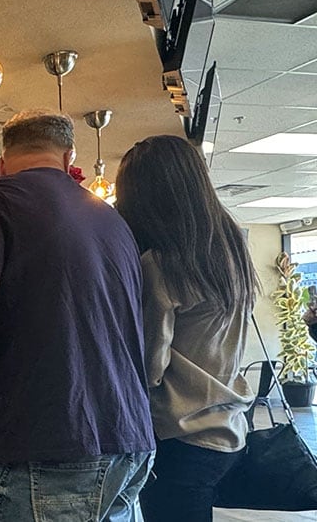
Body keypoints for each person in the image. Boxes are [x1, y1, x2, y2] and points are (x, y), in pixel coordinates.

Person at [0, 109, 155, 521]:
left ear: (2, 162)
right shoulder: (113, 221)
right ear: (69, 160)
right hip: (132, 440)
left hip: (53, 443)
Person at [114, 134, 257, 522]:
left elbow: (149, 366)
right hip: (229, 428)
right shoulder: (231, 251)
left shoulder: (161, 264)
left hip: (182, 435)